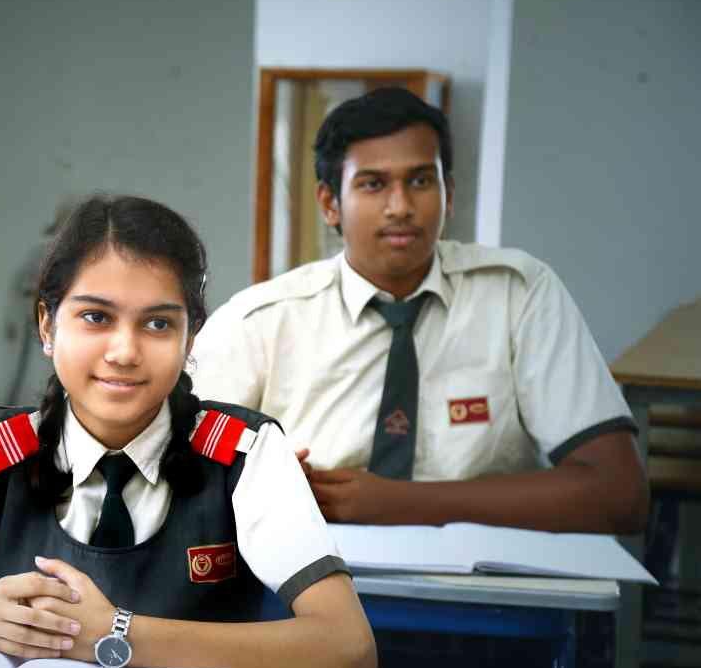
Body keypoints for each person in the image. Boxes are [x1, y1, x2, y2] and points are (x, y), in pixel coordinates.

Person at [0, 194, 376, 668]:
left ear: (190, 339)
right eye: (95, 317)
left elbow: (347, 646)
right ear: (46, 325)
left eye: (158, 323)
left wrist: (116, 634)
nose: (124, 351)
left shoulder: (244, 452)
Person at [191, 87, 647, 534]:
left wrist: (399, 504)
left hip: (486, 576)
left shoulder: (518, 294)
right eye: (373, 184)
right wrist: (260, 484)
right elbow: (175, 473)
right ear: (330, 203)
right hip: (305, 568)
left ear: (448, 193)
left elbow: (619, 494)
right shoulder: (261, 320)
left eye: (420, 181)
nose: (401, 208)